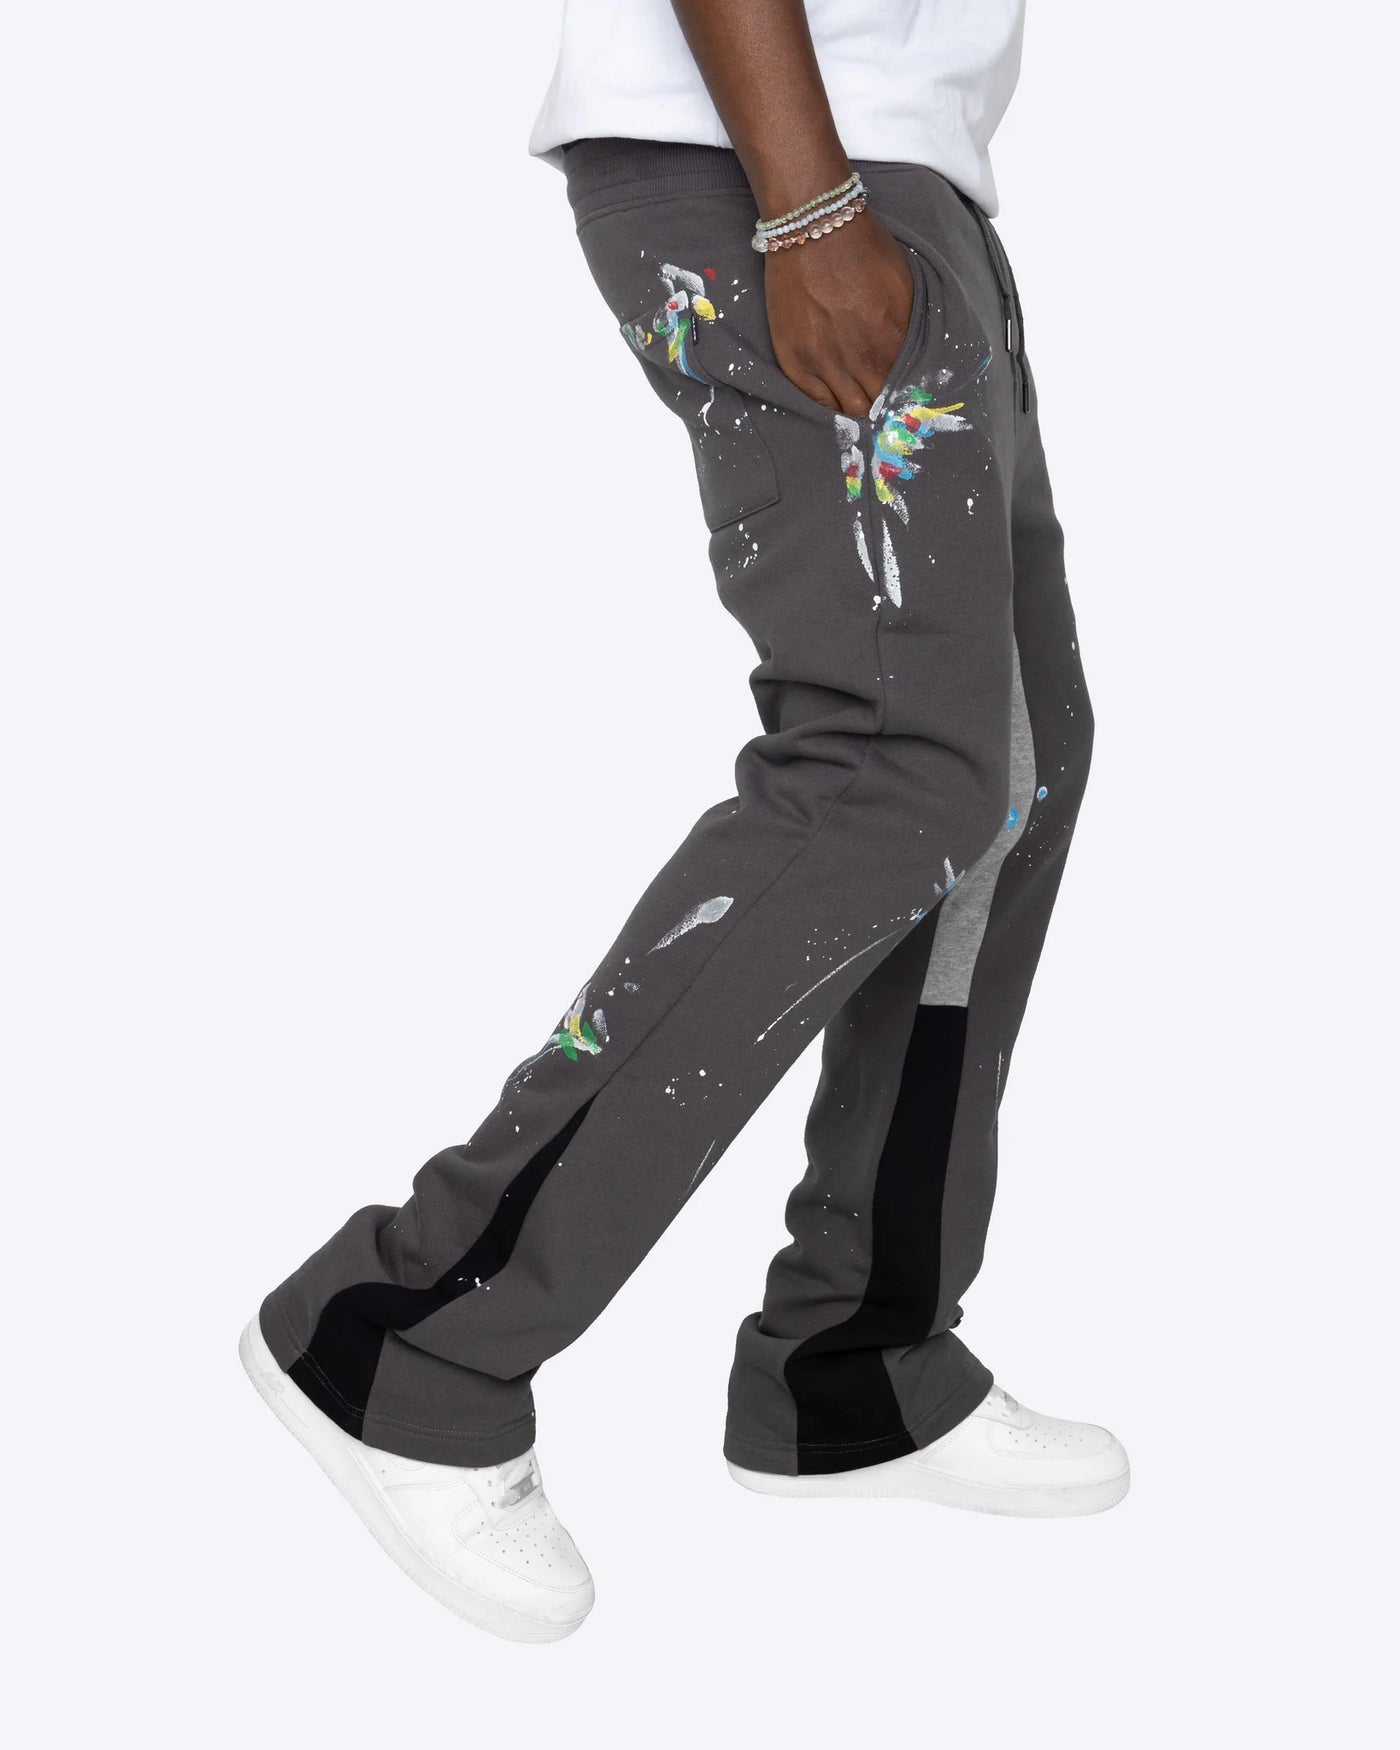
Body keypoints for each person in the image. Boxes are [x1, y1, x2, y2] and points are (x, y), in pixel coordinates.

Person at [241, 0, 1128, 1644]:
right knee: (889, 768)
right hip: (785, 160)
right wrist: (808, 204)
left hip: (893, 164)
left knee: (1010, 764)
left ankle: (859, 1357)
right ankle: (404, 1335)